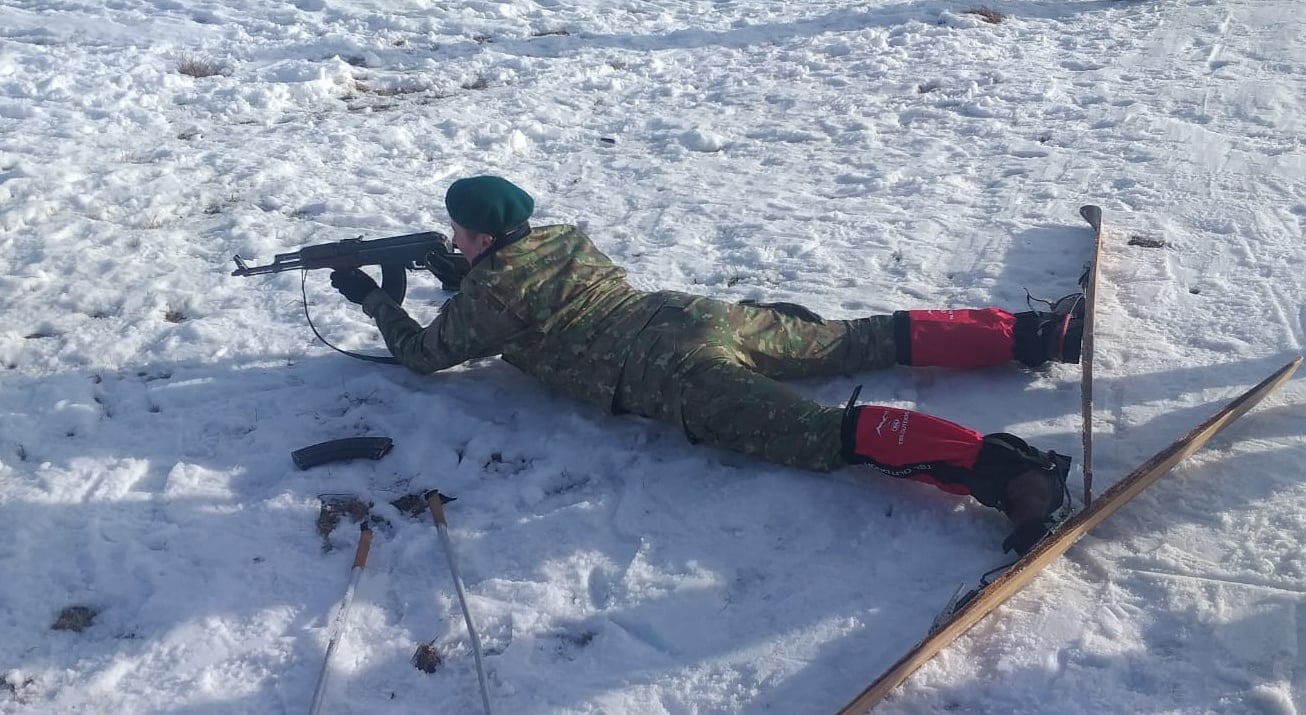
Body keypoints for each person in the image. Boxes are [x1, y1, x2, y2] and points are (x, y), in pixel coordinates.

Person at [330, 176, 1085, 554]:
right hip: (690, 314)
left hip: (670, 373)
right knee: (856, 339)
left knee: (817, 432)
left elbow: (425, 355)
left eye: (460, 235)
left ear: (485, 241)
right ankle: (1033, 334)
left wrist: (374, 300)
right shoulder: (561, 238)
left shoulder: (488, 293)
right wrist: (463, 276)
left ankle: (1009, 475)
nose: (454, 241)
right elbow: (521, 289)